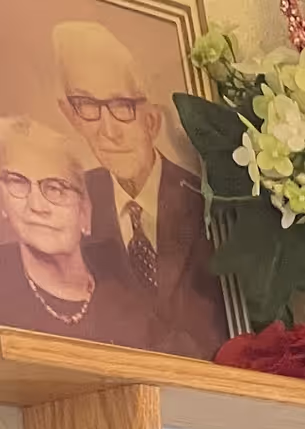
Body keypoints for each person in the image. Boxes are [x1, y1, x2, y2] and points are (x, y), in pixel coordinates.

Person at [53, 17, 228, 356]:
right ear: (72, 116)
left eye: (121, 106)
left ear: (152, 119)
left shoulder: (209, 201)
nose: (108, 131)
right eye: (87, 106)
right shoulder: (66, 207)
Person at [0, 116, 157, 344]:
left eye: (56, 188)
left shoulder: (128, 299)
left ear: (85, 210)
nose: (36, 206)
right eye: (18, 182)